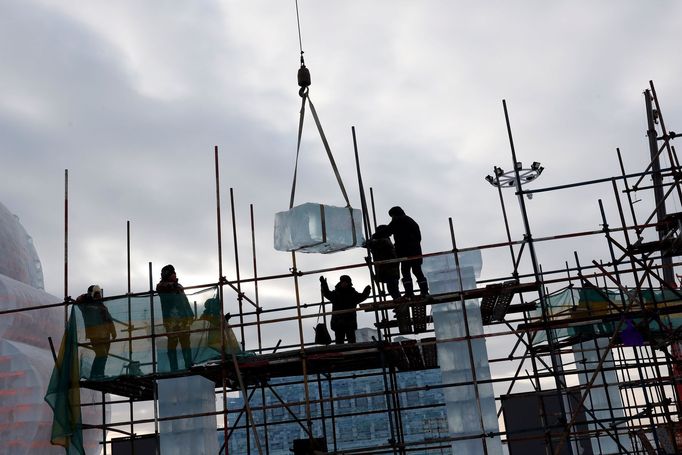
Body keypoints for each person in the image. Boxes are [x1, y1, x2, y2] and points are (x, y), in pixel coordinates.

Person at [156, 264, 194, 371]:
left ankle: (189, 365)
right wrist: (174, 285)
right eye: (173, 273)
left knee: (186, 343)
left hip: (183, 319)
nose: (175, 275)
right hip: (171, 321)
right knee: (172, 343)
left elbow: (185, 301)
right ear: (167, 275)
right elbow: (163, 288)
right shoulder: (162, 286)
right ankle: (174, 368)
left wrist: (190, 314)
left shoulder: (179, 287)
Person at [386, 206, 429, 298]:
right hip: (416, 252)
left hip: (404, 252)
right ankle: (424, 292)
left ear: (395, 214)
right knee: (417, 271)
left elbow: (387, 231)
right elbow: (419, 237)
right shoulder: (411, 221)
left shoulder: (397, 220)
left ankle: (409, 293)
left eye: (392, 216)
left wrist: (375, 236)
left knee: (405, 272)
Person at [75, 285, 116, 379]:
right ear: (92, 294)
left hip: (105, 334)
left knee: (104, 355)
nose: (98, 296)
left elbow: (109, 319)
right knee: (101, 353)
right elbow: (78, 301)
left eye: (99, 294)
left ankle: (100, 374)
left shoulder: (102, 306)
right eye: (96, 293)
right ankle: (95, 375)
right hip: (95, 334)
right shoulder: (86, 305)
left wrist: (113, 331)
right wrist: (88, 296)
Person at [320, 275, 371, 344]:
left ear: (348, 283)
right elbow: (326, 293)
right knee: (339, 341)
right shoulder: (336, 294)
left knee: (351, 341)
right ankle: (342, 353)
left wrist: (366, 291)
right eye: (342, 282)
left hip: (349, 322)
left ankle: (351, 353)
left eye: (345, 282)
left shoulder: (352, 294)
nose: (344, 283)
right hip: (339, 323)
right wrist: (323, 284)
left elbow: (362, 296)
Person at [365, 224, 401, 301]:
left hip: (389, 269)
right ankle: (399, 305)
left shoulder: (384, 240)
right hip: (389, 269)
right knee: (393, 289)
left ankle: (400, 305)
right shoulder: (384, 240)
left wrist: (370, 240)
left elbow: (369, 244)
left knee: (392, 289)